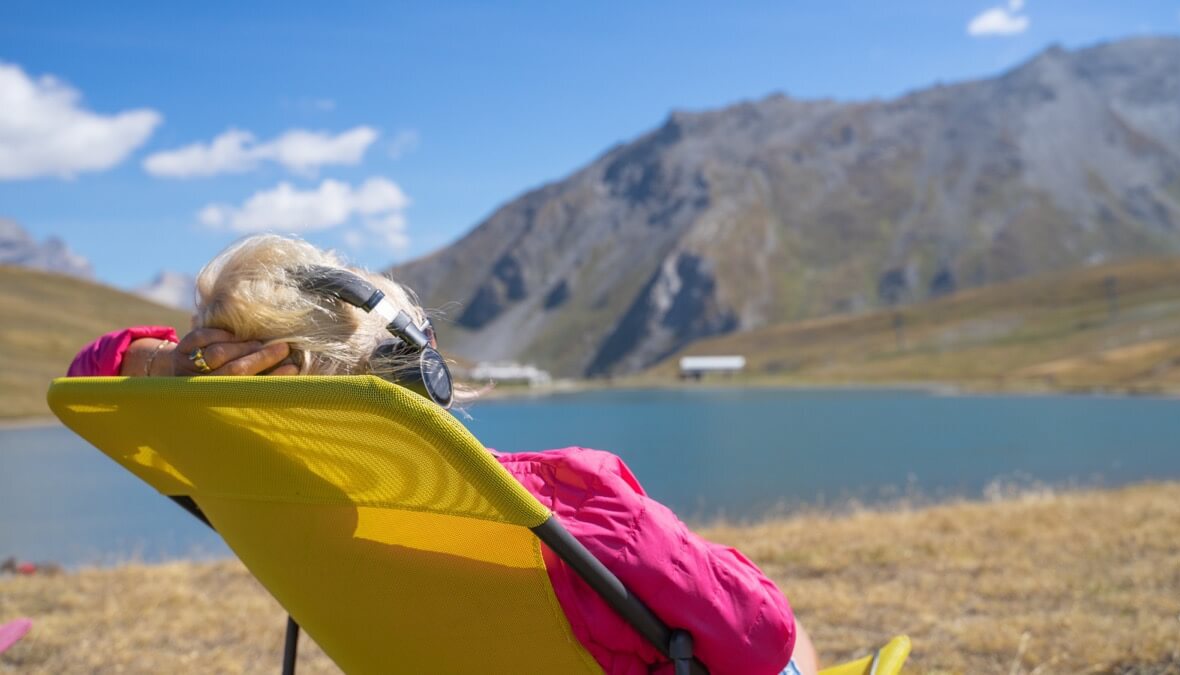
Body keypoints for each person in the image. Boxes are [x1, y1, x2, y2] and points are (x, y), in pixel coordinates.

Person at [68, 234, 819, 675]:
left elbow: (86, 372)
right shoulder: (572, 504)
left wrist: (170, 368)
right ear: (415, 373)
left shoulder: (251, 482)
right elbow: (762, 637)